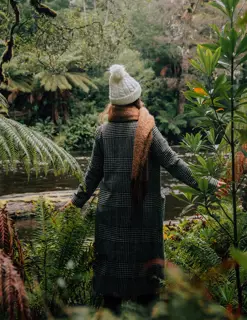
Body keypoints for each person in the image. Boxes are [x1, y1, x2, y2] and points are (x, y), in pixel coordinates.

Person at [63, 64, 222, 314]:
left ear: (113, 105)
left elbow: (92, 175)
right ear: (136, 99)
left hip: (111, 218)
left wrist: (75, 202)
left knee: (111, 289)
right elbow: (174, 164)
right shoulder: (148, 131)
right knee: (146, 286)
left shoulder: (103, 132)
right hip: (143, 218)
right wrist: (211, 186)